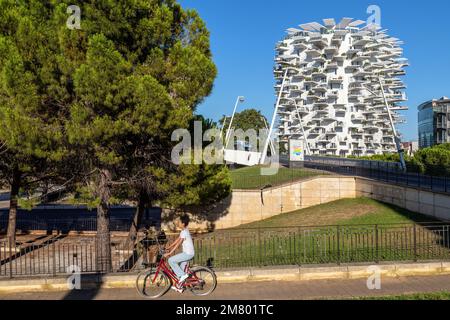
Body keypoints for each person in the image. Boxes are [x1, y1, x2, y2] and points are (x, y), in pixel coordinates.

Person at [164, 214, 195, 291]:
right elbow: (177, 241)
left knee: (170, 260)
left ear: (183, 223)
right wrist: (168, 247)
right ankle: (180, 287)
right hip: (187, 253)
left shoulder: (184, 232)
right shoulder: (183, 231)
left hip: (188, 254)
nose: (178, 223)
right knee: (180, 270)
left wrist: (169, 253)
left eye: (179, 222)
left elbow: (178, 243)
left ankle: (183, 276)